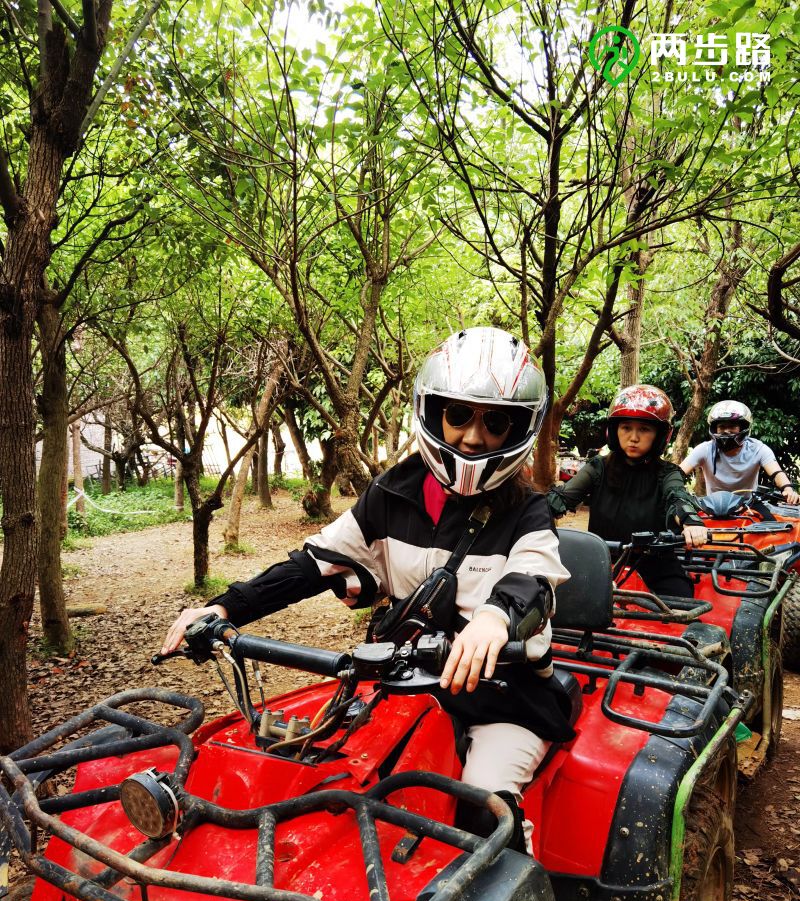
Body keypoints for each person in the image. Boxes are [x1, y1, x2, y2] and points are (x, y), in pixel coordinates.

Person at [162, 327, 574, 853]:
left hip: (503, 697)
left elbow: (534, 576)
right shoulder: (392, 492)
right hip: (405, 685)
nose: (473, 438)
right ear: (432, 413)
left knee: (485, 812)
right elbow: (315, 563)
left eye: (494, 422)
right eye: (458, 415)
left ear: (519, 427)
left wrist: (497, 617)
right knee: (324, 781)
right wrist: (225, 605)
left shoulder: (529, 511)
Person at [547, 385, 708, 599]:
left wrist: (691, 521)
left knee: (680, 601)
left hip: (655, 563)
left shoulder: (668, 473)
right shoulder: (597, 467)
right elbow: (562, 498)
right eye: (626, 427)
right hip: (601, 560)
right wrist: (531, 512)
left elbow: (677, 496)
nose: (633, 437)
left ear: (660, 435)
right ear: (614, 431)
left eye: (644, 429)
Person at [679, 400, 800, 505]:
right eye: (721, 426)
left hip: (749, 505)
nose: (726, 431)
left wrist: (787, 488)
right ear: (714, 429)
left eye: (732, 426)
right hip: (713, 506)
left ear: (742, 428)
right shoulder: (705, 449)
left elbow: (776, 473)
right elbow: (678, 473)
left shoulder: (758, 448)